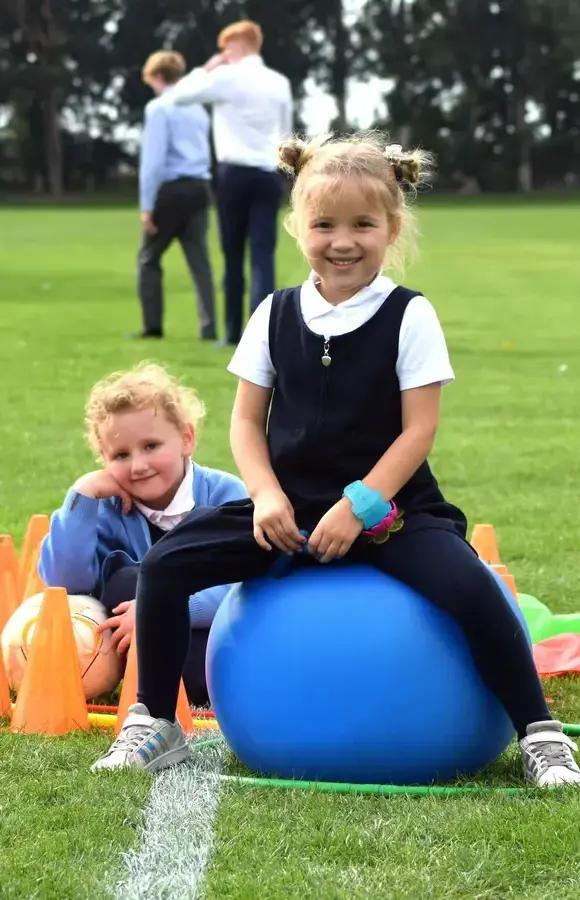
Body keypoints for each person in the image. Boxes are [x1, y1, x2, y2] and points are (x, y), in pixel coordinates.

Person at [91, 131, 580, 789]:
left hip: (392, 510)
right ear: (298, 227)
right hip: (289, 509)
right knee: (166, 564)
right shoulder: (274, 312)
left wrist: (361, 506)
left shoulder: (411, 315)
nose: (342, 240)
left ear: (391, 226)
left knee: (471, 587)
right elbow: (244, 420)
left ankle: (540, 735)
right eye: (324, 224)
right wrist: (265, 497)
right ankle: (155, 722)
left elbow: (418, 433)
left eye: (362, 224)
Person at [39, 362, 246, 705]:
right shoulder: (106, 508)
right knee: (127, 579)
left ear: (186, 439)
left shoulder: (226, 495)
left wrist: (159, 608)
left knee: (153, 582)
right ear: (103, 459)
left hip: (219, 637)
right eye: (121, 454)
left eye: (151, 446)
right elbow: (64, 586)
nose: (138, 465)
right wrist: (82, 496)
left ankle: (206, 686)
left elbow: (242, 587)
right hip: (139, 647)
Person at [165, 20, 293, 346]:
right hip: (268, 174)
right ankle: (263, 334)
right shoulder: (279, 82)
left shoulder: (226, 76)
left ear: (236, 45)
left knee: (232, 255)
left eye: (226, 48)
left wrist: (207, 68)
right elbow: (287, 134)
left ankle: (234, 332)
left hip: (233, 174)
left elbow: (178, 96)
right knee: (263, 255)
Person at [136, 51, 216, 341]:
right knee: (200, 261)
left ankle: (152, 326)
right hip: (199, 188)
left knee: (149, 258)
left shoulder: (158, 108)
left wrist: (147, 206)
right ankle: (209, 326)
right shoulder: (198, 110)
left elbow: (153, 162)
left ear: (157, 78)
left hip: (170, 190)